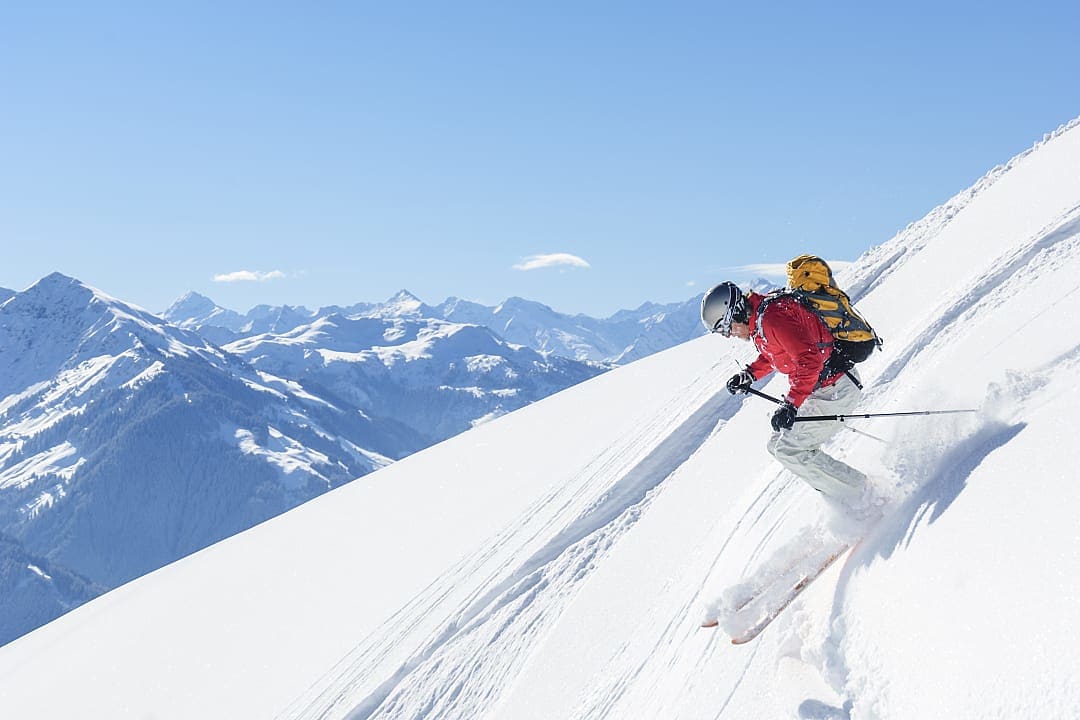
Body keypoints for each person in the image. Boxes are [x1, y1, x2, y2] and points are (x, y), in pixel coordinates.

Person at [701, 281, 882, 524]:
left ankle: (864, 496)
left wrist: (791, 404)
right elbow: (775, 354)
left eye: (726, 328)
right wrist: (749, 374)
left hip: (837, 389)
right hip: (824, 390)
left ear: (735, 311)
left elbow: (810, 361)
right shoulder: (762, 321)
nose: (730, 335)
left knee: (790, 449)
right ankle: (847, 495)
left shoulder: (773, 318)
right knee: (777, 445)